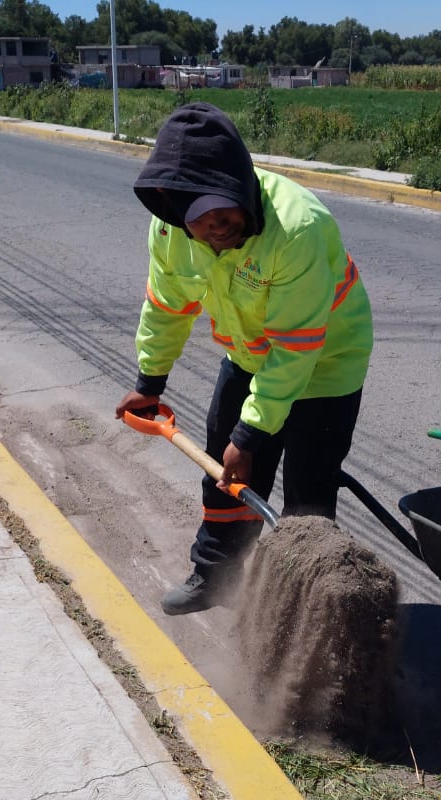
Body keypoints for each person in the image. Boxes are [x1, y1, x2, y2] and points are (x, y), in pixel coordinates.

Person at [116, 102, 373, 615]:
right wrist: (151, 379)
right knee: (227, 474)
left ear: (240, 181)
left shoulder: (296, 228)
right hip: (250, 355)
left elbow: (297, 348)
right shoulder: (171, 235)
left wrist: (250, 435)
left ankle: (304, 606)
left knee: (309, 490)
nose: (218, 225)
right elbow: (167, 308)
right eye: (201, 217)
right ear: (173, 208)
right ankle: (217, 575)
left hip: (325, 364)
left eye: (225, 207)